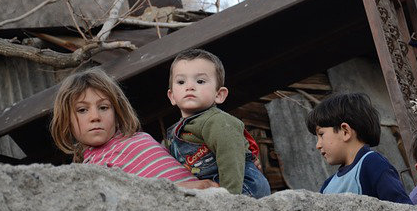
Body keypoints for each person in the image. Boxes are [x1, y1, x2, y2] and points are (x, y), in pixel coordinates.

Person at [50, 68, 218, 190]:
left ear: (117, 113)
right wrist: (185, 188)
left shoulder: (140, 140)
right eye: (82, 110)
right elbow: (134, 200)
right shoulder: (88, 173)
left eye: (103, 107)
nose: (95, 116)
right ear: (67, 121)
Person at [166, 48, 271, 198]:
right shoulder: (174, 131)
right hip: (215, 185)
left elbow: (230, 156)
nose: (189, 86)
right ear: (172, 96)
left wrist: (229, 198)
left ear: (219, 95)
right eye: (181, 81)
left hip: (240, 185)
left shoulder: (217, 121)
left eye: (200, 81)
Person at [306, 92, 412, 204]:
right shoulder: (328, 185)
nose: (318, 145)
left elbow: (403, 208)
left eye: (321, 134)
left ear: (345, 131)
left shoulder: (372, 164)